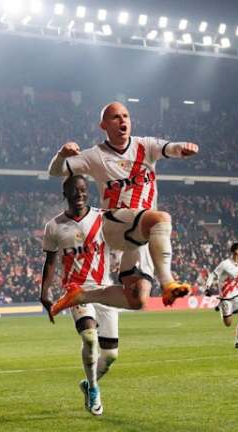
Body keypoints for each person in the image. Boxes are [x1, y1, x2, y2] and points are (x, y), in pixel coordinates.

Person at [48, 102, 199, 313]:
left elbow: (170, 148)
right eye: (115, 117)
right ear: (103, 125)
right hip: (115, 223)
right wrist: (61, 154)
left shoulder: (145, 145)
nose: (122, 121)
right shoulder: (95, 155)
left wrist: (183, 148)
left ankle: (80, 295)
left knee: (136, 299)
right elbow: (56, 171)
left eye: (126, 116)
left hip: (141, 231)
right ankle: (168, 283)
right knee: (161, 219)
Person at [40, 176, 121, 416]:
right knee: (89, 338)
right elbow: (50, 261)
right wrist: (44, 293)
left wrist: (119, 258)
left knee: (111, 355)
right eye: (75, 191)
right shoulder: (53, 226)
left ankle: (87, 384)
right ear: (65, 193)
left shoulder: (103, 217)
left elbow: (121, 239)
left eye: (84, 190)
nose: (80, 194)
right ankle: (94, 389)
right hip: (76, 291)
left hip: (105, 290)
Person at [204, 243, 238, 349]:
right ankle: (221, 306)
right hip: (226, 297)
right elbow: (212, 275)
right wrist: (207, 287)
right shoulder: (225, 264)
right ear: (236, 251)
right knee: (228, 323)